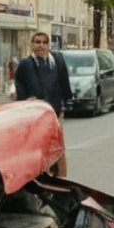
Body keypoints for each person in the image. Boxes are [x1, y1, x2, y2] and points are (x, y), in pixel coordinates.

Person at [14, 32, 72, 176]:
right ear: (32, 45)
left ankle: (62, 178)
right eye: (38, 42)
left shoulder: (57, 60)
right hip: (35, 115)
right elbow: (20, 88)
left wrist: (66, 104)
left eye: (44, 42)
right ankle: (42, 177)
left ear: (48, 45)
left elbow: (64, 83)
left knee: (58, 148)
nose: (41, 46)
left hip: (55, 112)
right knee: (39, 147)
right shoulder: (26, 64)